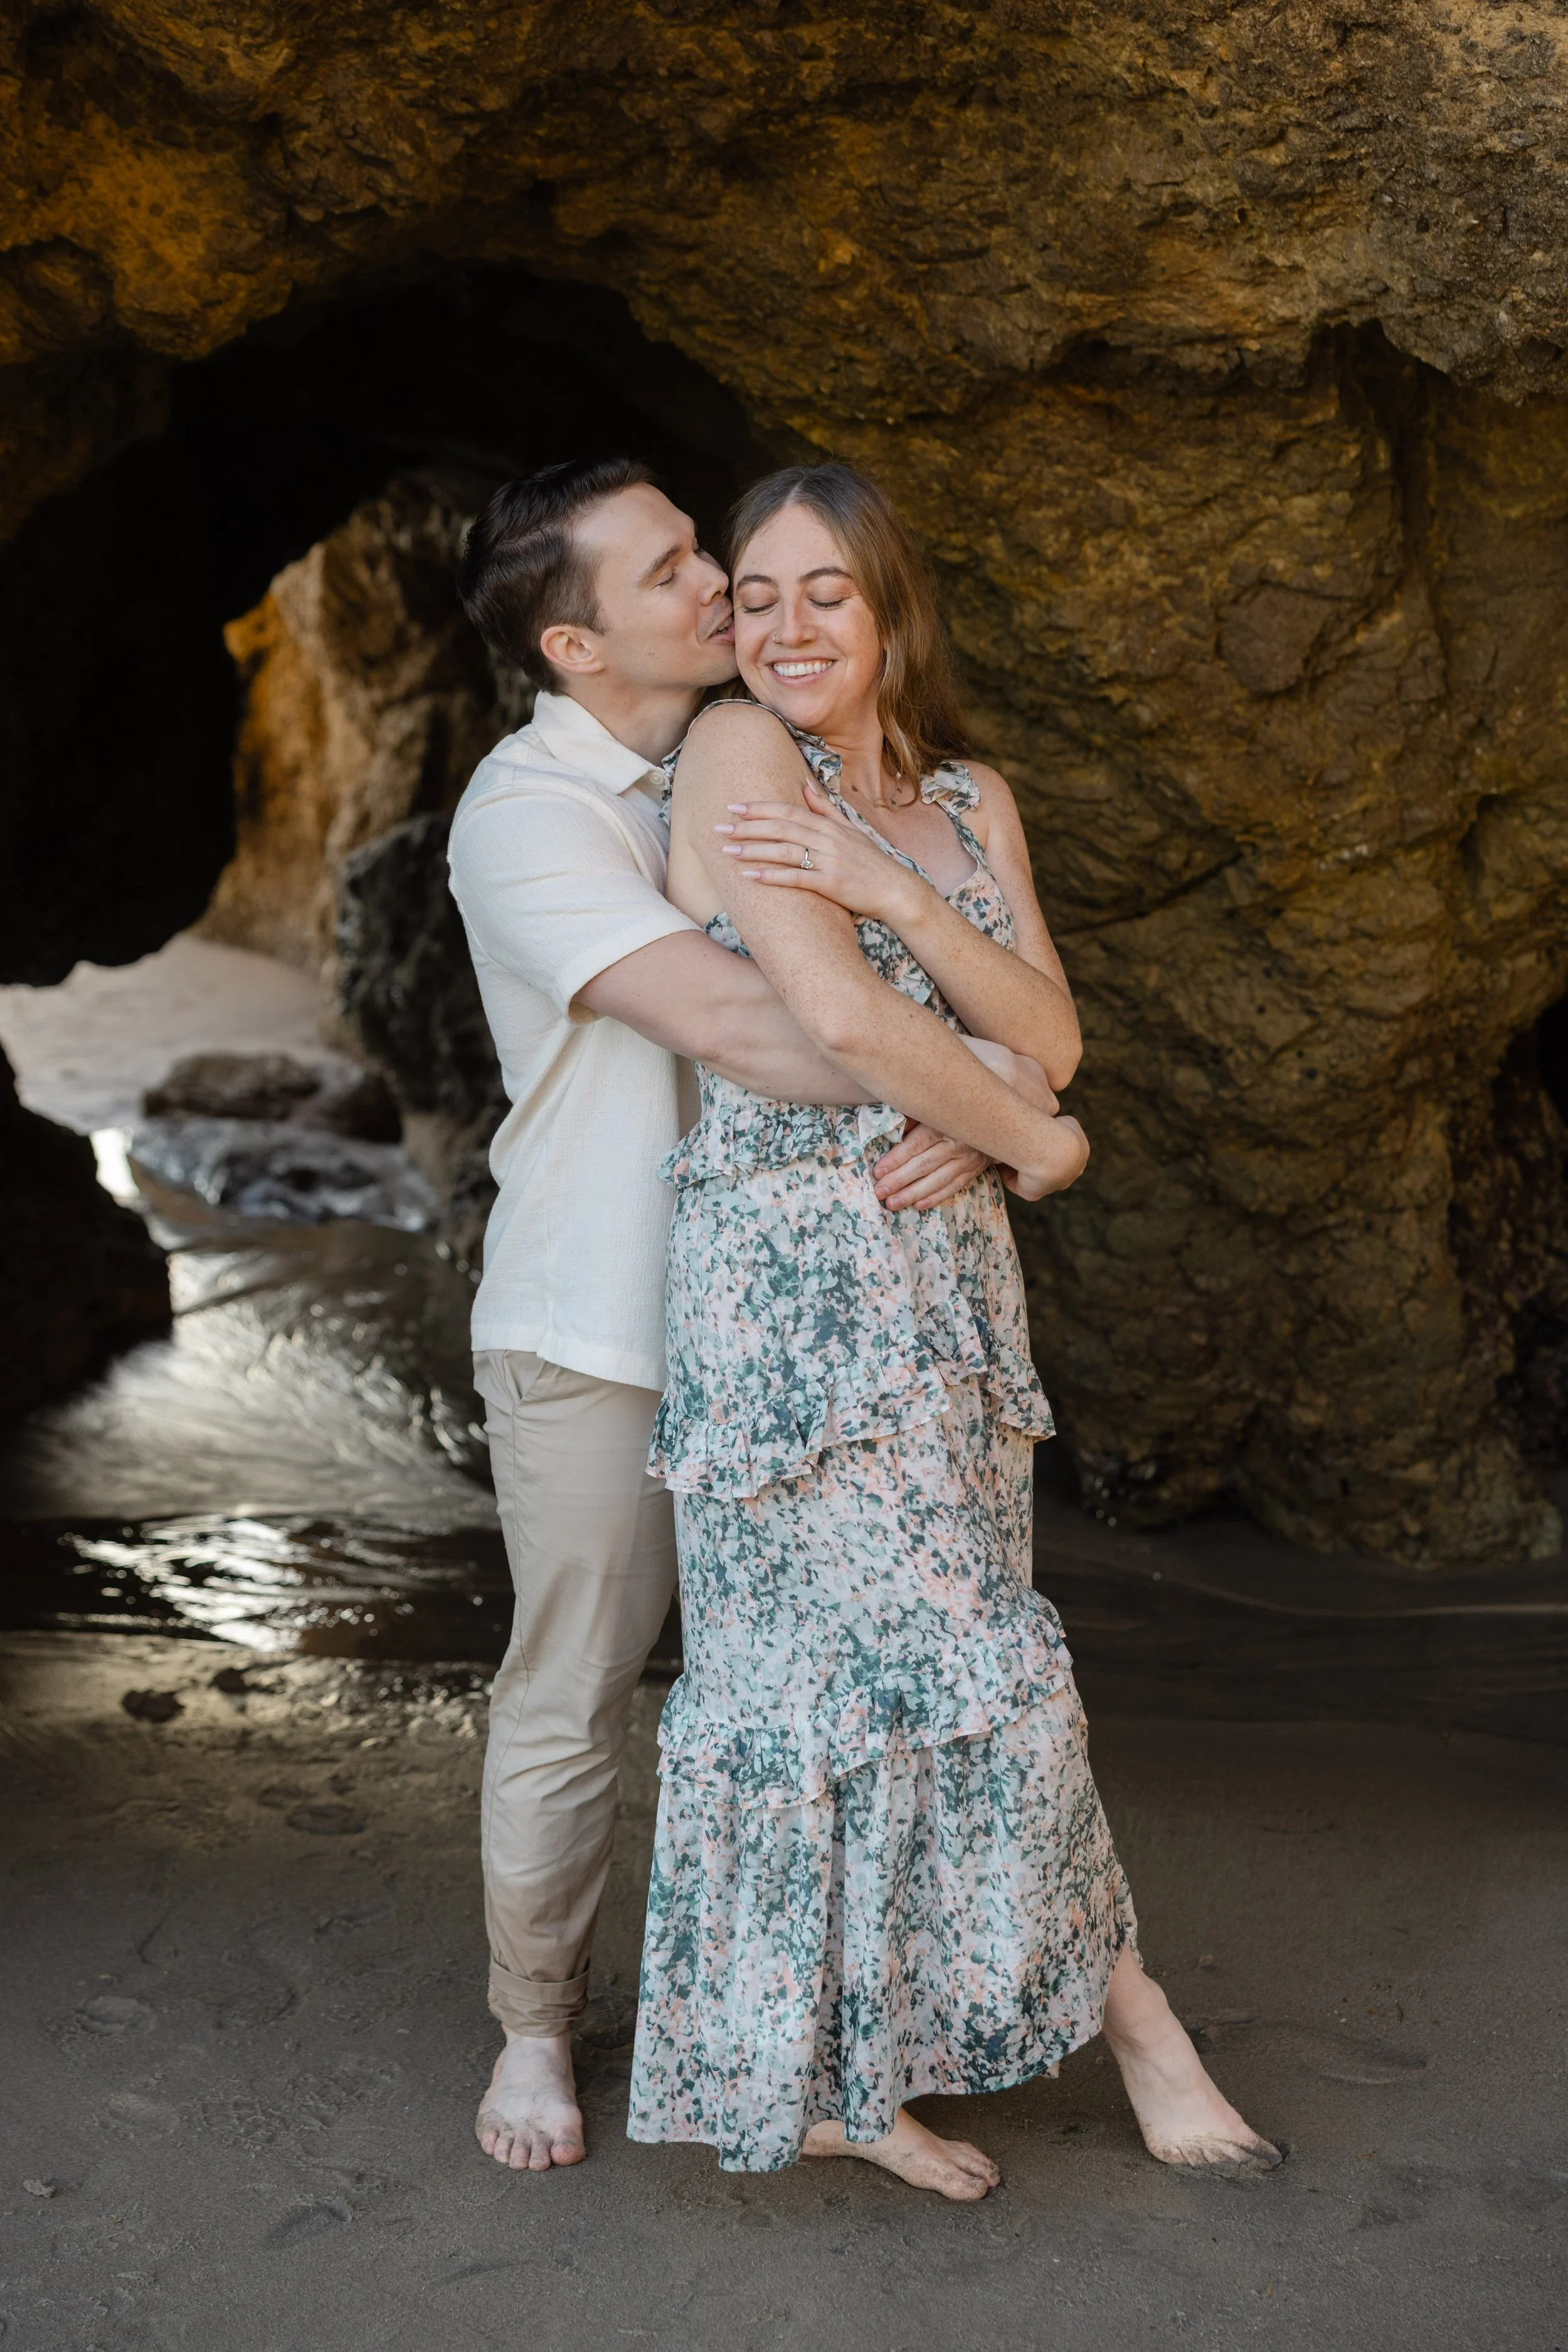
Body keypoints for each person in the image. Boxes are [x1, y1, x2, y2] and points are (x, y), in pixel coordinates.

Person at [628, 462, 1281, 2196]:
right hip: (793, 1290)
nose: (779, 626)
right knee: (825, 1687)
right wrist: (1033, 1136)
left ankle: (867, 2060)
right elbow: (837, 1018)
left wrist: (910, 897)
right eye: (750, 594)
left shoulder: (972, 798)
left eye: (821, 592)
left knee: (963, 1666)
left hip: (949, 1293)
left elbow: (1049, 1030)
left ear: (892, 611)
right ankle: (1130, 2026)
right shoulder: (734, 751)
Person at [449, 457, 1069, 2173]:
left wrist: (964, 1051)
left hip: (790, 1323)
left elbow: (880, 989)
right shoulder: (527, 815)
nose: (722, 585)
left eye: (708, 551)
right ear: (575, 642)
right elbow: (758, 1023)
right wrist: (1020, 1104)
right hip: (600, 1327)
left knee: (824, 1686)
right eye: (672, 572)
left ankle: (827, 2041)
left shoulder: (755, 757)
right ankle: (529, 2032)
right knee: (578, 1687)